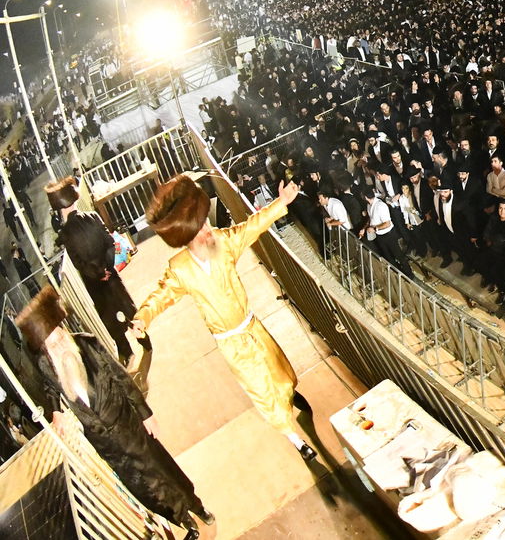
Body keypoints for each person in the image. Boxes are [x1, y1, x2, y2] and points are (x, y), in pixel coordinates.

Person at [133, 175, 318, 461]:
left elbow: (251, 227)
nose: (208, 228)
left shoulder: (223, 243)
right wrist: (143, 318)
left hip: (253, 327)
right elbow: (161, 296)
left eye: (206, 222)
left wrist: (281, 203)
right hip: (231, 344)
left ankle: (290, 393)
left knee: (280, 371)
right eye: (201, 226)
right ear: (187, 234)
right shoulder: (180, 269)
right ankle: (296, 440)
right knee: (262, 392)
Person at [17, 287, 214, 537]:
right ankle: (182, 519)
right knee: (143, 488)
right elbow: (49, 387)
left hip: (127, 425)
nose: (58, 348)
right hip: (107, 444)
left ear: (64, 332)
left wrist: (146, 413)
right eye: (50, 346)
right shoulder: (48, 366)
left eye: (58, 339)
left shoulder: (87, 344)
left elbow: (122, 378)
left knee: (161, 470)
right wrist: (55, 411)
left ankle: (196, 506)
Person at [47, 176, 142, 364]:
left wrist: (98, 274)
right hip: (111, 274)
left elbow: (78, 263)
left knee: (110, 319)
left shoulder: (65, 234)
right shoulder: (92, 216)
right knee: (128, 307)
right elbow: (110, 242)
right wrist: (107, 267)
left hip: (95, 284)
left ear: (60, 208)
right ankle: (144, 338)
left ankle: (127, 351)